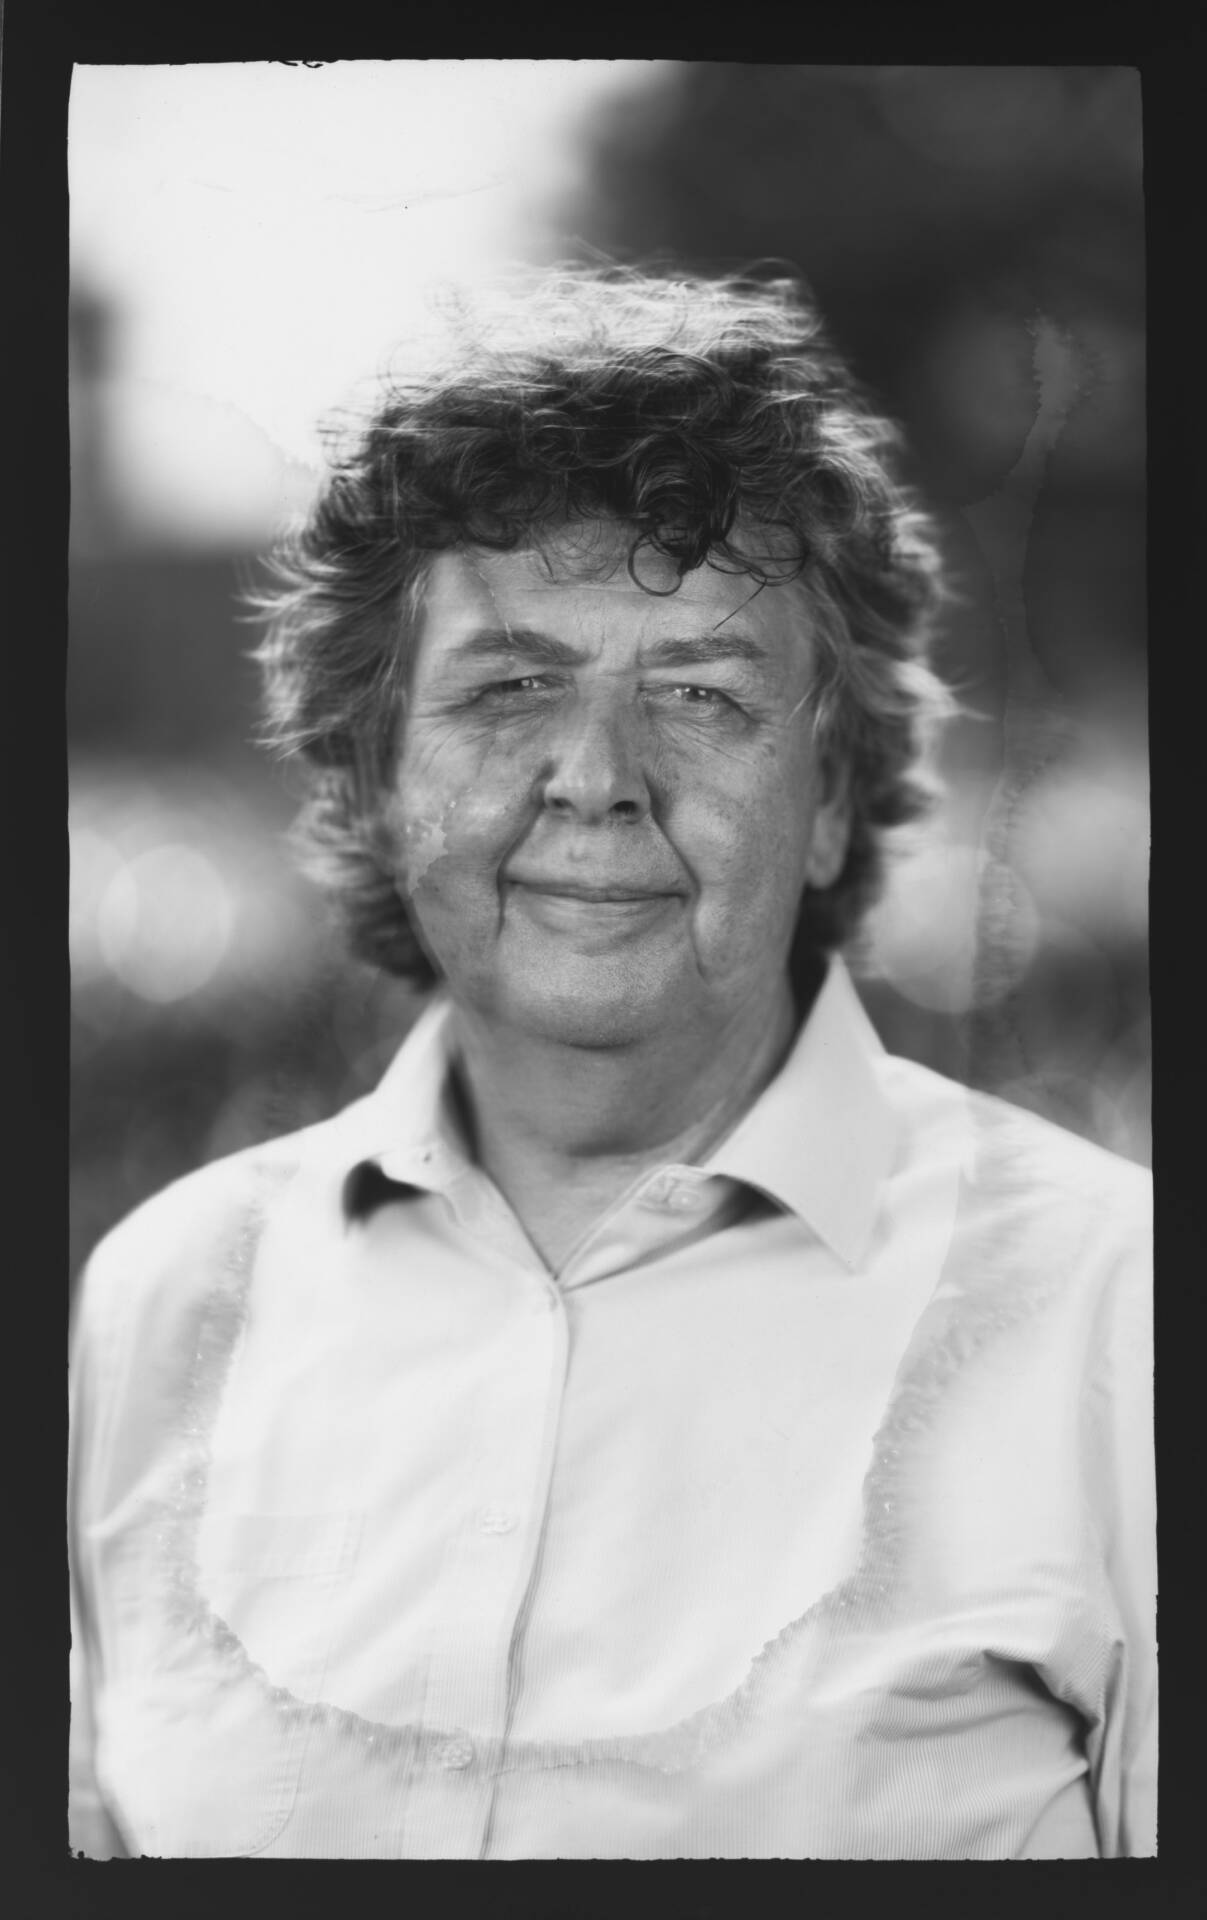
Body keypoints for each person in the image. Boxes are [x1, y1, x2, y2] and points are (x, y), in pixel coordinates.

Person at [68, 267, 1155, 1860]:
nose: (596, 778)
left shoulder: (1119, 1308)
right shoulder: (162, 1302)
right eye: (509, 688)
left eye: (702, 695)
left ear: (833, 797)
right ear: (374, 776)